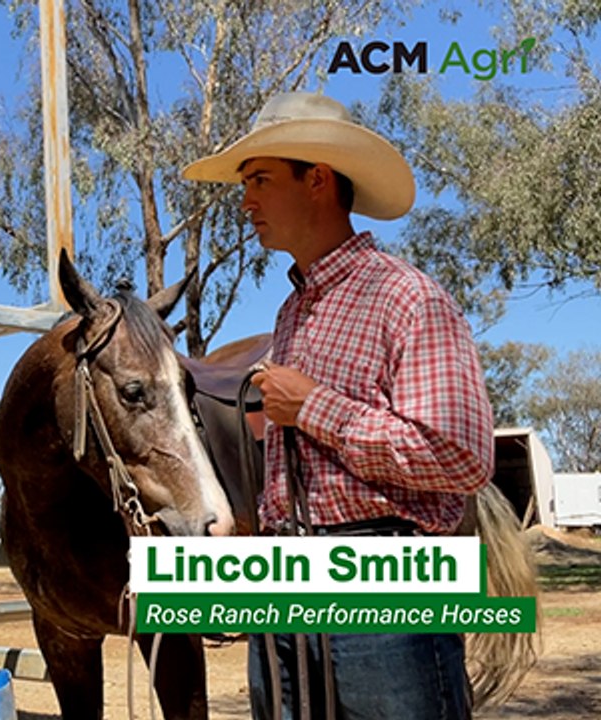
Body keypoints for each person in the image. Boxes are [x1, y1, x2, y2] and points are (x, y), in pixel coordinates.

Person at [183, 92, 495, 719]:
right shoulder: (292, 311)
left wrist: (315, 407)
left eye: (261, 180)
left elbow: (462, 458)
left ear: (318, 179)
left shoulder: (408, 298)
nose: (247, 202)